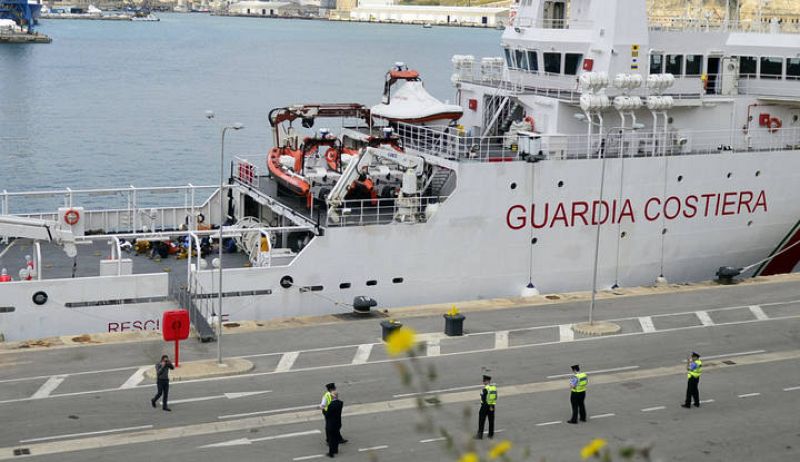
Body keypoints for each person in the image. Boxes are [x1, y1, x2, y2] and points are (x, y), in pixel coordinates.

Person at [476, 375, 497, 439]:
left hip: (485, 406)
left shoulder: (485, 389)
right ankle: (491, 434)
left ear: (487, 381)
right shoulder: (493, 388)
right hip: (492, 406)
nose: (483, 382)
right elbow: (496, 397)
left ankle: (480, 435)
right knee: (491, 420)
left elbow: (482, 396)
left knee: (481, 420)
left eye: (484, 381)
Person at [325, 391, 344, 458]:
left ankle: (331, 453)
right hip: (338, 422)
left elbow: (327, 415)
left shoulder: (331, 405)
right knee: (336, 437)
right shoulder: (341, 403)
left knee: (331, 439)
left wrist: (324, 410)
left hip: (331, 424)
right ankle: (336, 450)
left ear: (332, 397)